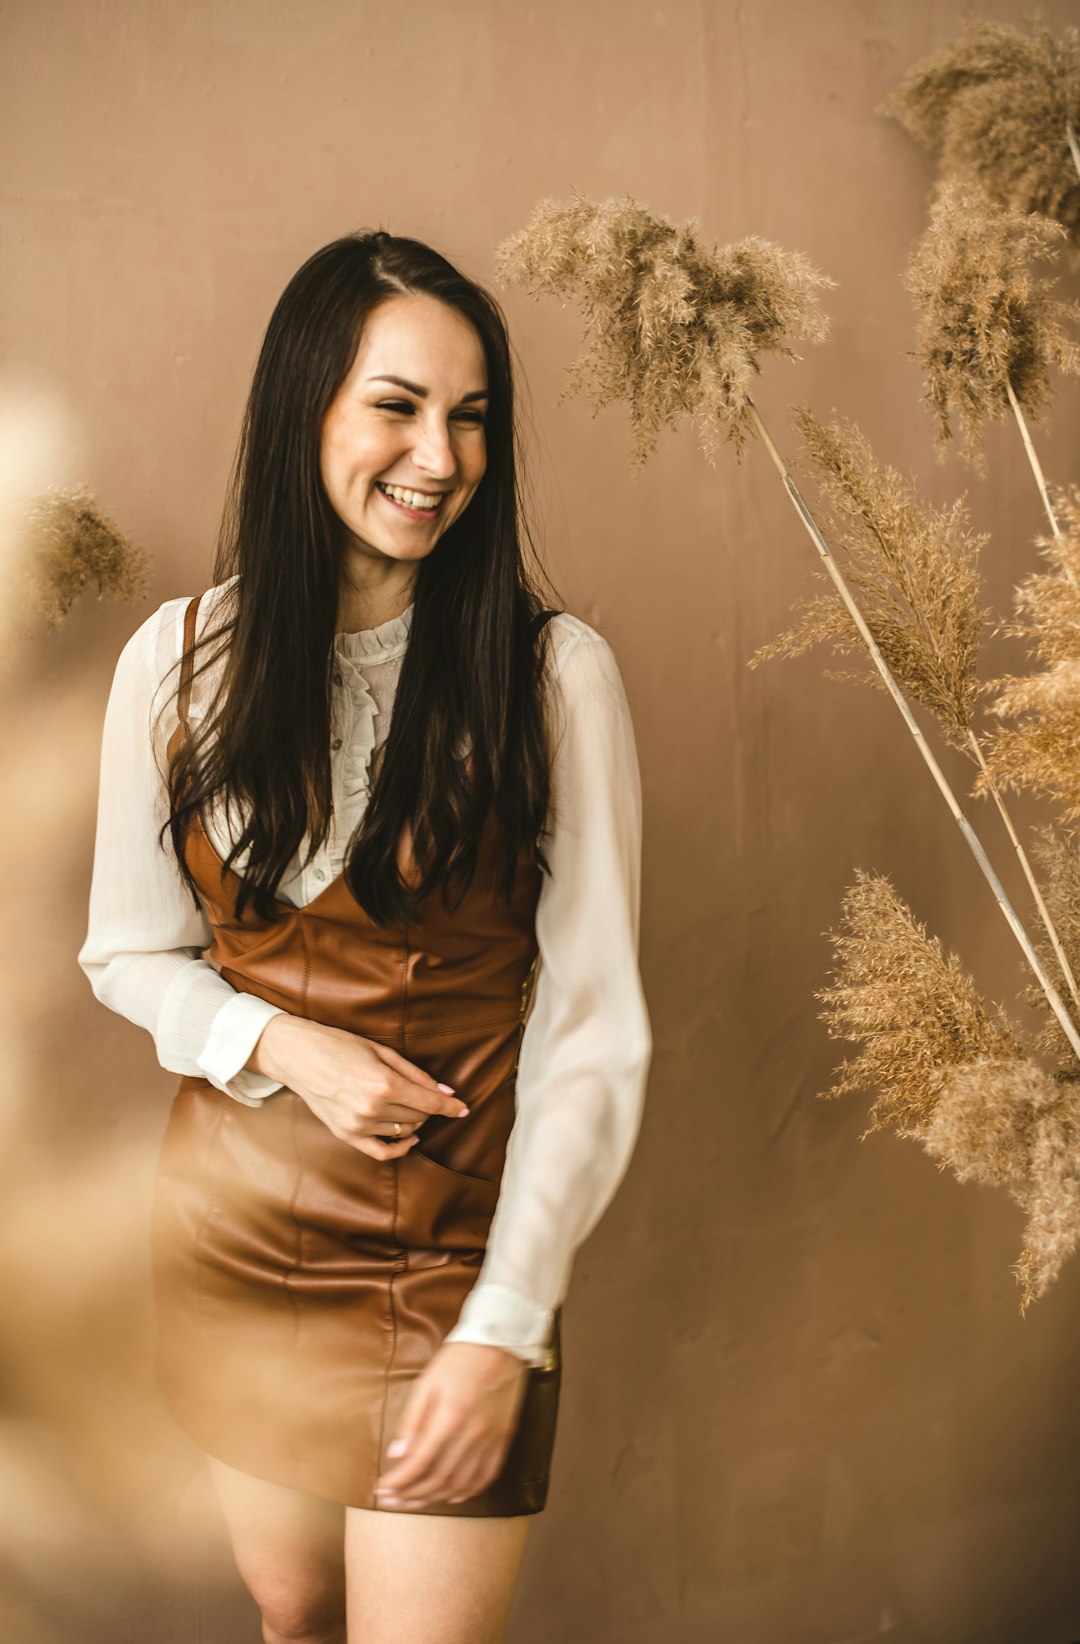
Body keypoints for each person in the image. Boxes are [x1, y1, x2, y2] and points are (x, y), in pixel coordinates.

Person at [78, 230, 652, 1644]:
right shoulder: (175, 661)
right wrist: (284, 1047)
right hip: (230, 1235)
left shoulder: (555, 676)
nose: (440, 455)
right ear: (307, 411)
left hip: (455, 1250)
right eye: (398, 406)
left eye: (470, 417)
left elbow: (594, 1029)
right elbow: (127, 951)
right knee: (290, 1611)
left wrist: (509, 1319)